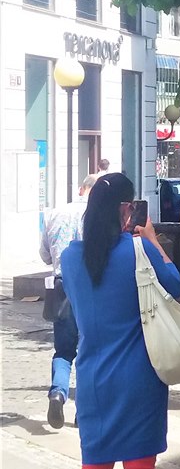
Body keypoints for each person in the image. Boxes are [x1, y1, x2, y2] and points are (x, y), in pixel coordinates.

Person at [60, 173, 180, 469]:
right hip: (138, 375)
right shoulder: (137, 250)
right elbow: (175, 286)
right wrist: (151, 238)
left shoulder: (71, 258)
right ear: (125, 210)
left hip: (92, 375)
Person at [39, 175, 96, 429]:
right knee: (88, 351)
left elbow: (43, 255)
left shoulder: (54, 214)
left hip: (60, 288)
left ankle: (57, 393)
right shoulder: (94, 215)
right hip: (87, 289)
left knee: (63, 351)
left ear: (81, 189)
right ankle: (82, 411)